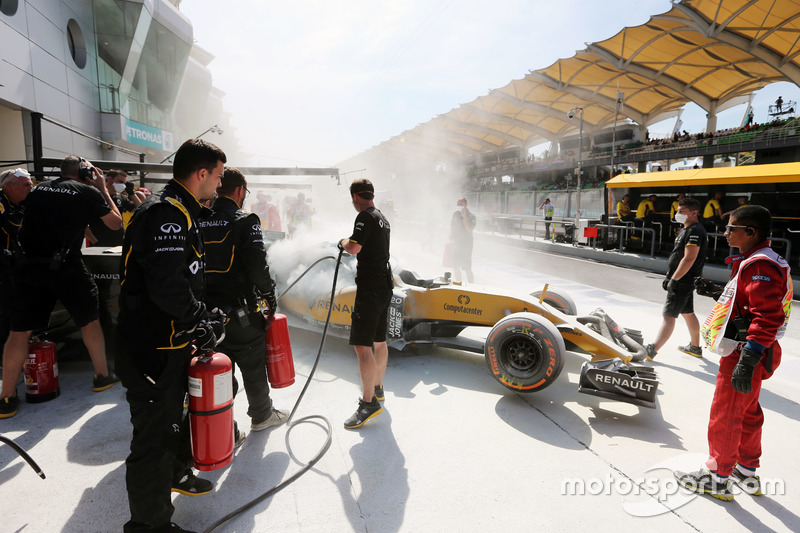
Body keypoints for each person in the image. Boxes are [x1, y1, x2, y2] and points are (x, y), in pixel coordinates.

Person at [115, 139, 226, 532]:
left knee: (175, 419)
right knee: (154, 437)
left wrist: (204, 317)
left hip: (170, 344)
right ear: (201, 174)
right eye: (218, 175)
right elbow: (166, 287)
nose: (219, 183)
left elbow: (183, 279)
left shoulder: (183, 211)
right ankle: (149, 525)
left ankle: (177, 473)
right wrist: (198, 319)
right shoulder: (165, 214)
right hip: (150, 350)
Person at [676, 205, 791, 501]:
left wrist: (747, 360)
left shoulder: (760, 265)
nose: (725, 232)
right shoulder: (758, 259)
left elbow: (767, 317)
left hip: (745, 352)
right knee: (749, 412)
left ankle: (717, 477)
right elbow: (752, 305)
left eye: (732, 228)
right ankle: (745, 471)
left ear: (750, 232)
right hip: (757, 350)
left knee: (726, 413)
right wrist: (719, 291)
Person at [0, 157, 122, 419]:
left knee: (19, 332)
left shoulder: (39, 188)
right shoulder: (87, 191)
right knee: (90, 322)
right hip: (67, 267)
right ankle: (102, 375)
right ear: (85, 172)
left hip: (28, 266)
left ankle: (7, 397)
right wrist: (101, 186)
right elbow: (115, 223)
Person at [199, 166, 286, 443]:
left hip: (204, 314)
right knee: (251, 361)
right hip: (241, 311)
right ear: (239, 191)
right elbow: (258, 267)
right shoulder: (245, 219)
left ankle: (225, 429)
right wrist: (270, 298)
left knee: (217, 372)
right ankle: (262, 416)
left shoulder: (197, 218)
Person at [338, 178, 391, 429]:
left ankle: (368, 402)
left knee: (362, 346)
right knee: (379, 341)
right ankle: (378, 388)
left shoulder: (364, 217)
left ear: (355, 197)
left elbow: (354, 247)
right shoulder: (382, 217)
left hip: (370, 289)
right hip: (384, 285)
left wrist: (343, 242)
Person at [645, 197, 707, 360]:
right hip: (683, 279)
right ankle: (695, 347)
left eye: (681, 211)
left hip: (683, 280)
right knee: (688, 313)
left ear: (694, 213)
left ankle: (653, 349)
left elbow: (689, 258)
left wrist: (675, 279)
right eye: (677, 210)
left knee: (668, 316)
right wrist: (670, 276)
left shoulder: (695, 231)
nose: (677, 214)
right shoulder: (685, 230)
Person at [0, 168, 33, 351]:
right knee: (4, 311)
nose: (31, 188)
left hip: (13, 266)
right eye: (26, 185)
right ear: (9, 187)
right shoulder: (1, 204)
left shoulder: (21, 205)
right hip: (3, 266)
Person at [86, 169, 144, 247]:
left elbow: (141, 210)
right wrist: (95, 242)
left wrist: (132, 193)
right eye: (120, 182)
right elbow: (83, 223)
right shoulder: (95, 195)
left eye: (124, 183)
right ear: (110, 179)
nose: (122, 185)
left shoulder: (121, 197)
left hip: (119, 243)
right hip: (99, 243)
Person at [449, 197, 477, 283]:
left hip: (466, 245)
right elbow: (452, 227)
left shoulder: (471, 216)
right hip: (456, 244)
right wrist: (450, 237)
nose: (459, 206)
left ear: (465, 205)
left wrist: (465, 218)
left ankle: (472, 286)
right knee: (455, 266)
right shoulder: (455, 214)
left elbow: (470, 229)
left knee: (467, 268)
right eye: (458, 204)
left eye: (461, 204)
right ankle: (458, 283)